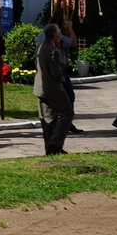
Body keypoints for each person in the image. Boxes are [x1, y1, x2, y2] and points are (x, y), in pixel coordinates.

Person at [33, 23, 73, 155]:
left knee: (48, 119)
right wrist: (62, 78)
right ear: (55, 36)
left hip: (40, 87)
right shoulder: (52, 50)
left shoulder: (40, 46)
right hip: (52, 88)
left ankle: (50, 148)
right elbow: (56, 72)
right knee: (67, 113)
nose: (60, 35)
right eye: (59, 33)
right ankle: (55, 143)